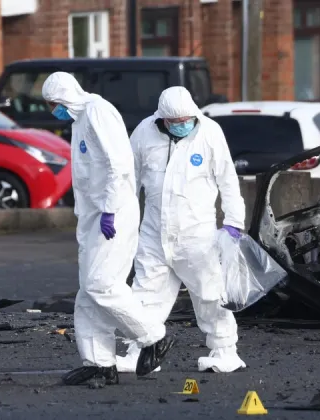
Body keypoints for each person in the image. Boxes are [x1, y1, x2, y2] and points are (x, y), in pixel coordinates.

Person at [41, 72, 175, 387]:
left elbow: (119, 164)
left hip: (112, 214)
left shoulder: (97, 111)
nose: (53, 111)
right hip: (93, 216)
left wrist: (111, 210)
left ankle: (153, 336)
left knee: (102, 285)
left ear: (66, 96)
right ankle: (100, 362)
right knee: (88, 292)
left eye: (54, 104)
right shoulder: (79, 120)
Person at [117, 86, 246, 373]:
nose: (181, 126)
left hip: (198, 235)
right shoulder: (143, 133)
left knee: (210, 294)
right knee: (144, 293)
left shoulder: (209, 133)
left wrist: (234, 223)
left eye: (186, 120)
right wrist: (119, 217)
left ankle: (225, 351)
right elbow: (128, 180)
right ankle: (140, 352)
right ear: (161, 118)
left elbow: (228, 180)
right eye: (174, 122)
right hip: (153, 232)